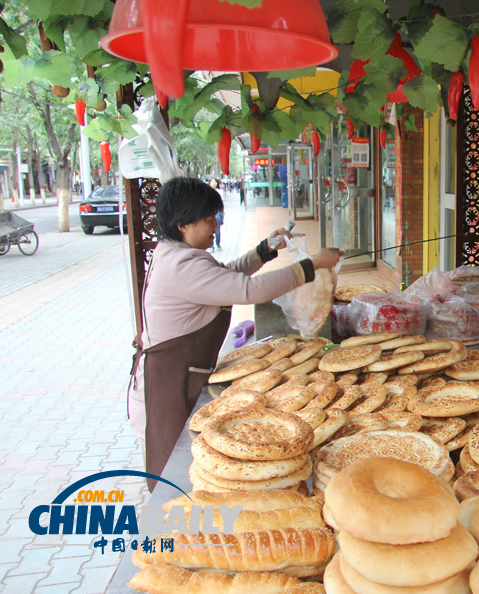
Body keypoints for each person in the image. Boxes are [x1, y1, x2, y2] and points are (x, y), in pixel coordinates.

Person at [127, 177, 342, 487]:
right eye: (208, 218)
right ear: (183, 224)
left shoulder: (175, 253)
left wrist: (265, 250)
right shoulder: (181, 266)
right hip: (167, 388)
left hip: (179, 377)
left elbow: (223, 276)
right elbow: (248, 290)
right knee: (176, 478)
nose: (215, 224)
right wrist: (312, 266)